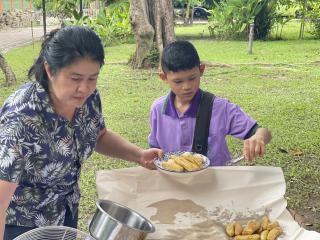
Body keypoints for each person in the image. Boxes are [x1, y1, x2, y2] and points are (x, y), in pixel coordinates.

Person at [0, 26, 162, 240]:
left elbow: (98, 135)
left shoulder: (88, 99)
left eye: (92, 78)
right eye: (75, 78)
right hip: (24, 225)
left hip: (66, 210)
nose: (85, 88)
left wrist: (139, 155)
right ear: (50, 70)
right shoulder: (21, 118)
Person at [148, 40, 271, 166]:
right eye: (178, 82)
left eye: (192, 78)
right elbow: (155, 150)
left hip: (216, 180)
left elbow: (262, 131)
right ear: (164, 78)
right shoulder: (158, 109)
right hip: (173, 180)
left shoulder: (220, 108)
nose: (186, 87)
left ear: (201, 70)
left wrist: (259, 138)